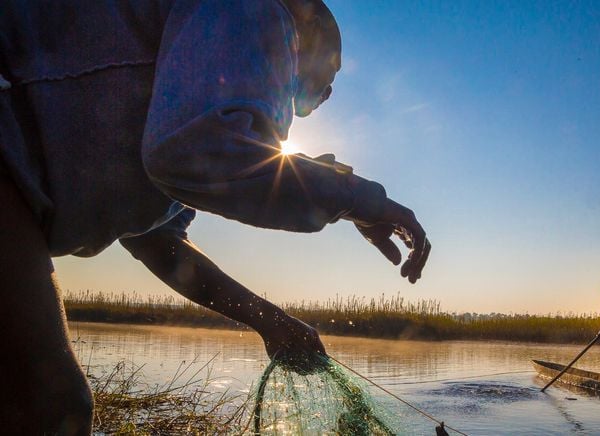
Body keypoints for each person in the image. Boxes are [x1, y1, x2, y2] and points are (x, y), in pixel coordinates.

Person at [0, 0, 430, 433]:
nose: (332, 90)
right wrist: (354, 198)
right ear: (300, 30)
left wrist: (270, 321)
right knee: (51, 406)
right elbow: (193, 150)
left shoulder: (198, 102)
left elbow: (160, 243)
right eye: (332, 65)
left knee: (50, 406)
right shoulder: (260, 9)